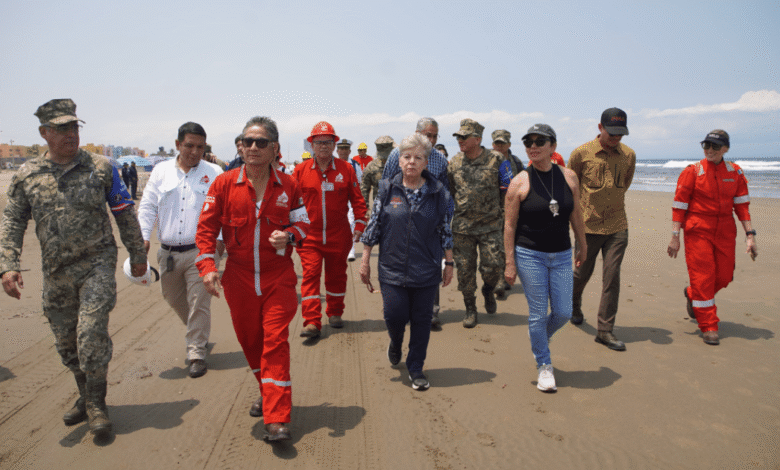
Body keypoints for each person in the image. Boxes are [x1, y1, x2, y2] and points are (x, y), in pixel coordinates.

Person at [0, 99, 147, 438]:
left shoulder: (101, 167)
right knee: (67, 343)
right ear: (44, 133)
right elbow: (12, 220)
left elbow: (124, 212)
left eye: (74, 127)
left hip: (96, 264)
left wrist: (137, 253)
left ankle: (97, 404)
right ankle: (85, 393)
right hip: (55, 271)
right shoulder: (27, 175)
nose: (70, 134)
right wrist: (8, 265)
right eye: (62, 128)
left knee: (90, 334)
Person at [196, 116, 309, 441]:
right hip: (239, 280)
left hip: (278, 279)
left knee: (274, 343)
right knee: (251, 343)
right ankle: (267, 390)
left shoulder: (290, 186)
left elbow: (304, 226)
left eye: (261, 142)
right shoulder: (222, 185)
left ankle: (277, 418)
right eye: (248, 142)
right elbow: (205, 230)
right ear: (241, 147)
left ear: (274, 148)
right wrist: (207, 268)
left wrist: (288, 236)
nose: (253, 148)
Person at [360, 133, 454, 391]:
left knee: (422, 320)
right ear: (399, 160)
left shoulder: (438, 193)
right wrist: (365, 260)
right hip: (391, 268)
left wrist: (449, 263)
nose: (411, 162)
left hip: (426, 269)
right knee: (394, 315)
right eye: (406, 156)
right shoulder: (387, 188)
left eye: (418, 157)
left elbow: (445, 230)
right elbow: (374, 225)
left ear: (426, 162)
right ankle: (395, 340)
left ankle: (416, 367)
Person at [503, 124, 587, 392]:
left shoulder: (569, 177)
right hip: (530, 255)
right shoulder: (520, 182)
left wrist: (582, 244)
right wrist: (509, 262)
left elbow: (575, 214)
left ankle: (538, 337)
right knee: (538, 313)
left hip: (562, 254)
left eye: (540, 141)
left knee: (563, 312)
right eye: (528, 141)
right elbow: (509, 225)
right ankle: (544, 365)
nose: (533, 146)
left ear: (553, 146)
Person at [138, 122, 223, 378]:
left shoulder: (215, 173)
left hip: (202, 251)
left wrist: (219, 242)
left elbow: (223, 210)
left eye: (200, 147)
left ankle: (196, 352)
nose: (194, 152)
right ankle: (198, 333)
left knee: (199, 302)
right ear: (178, 145)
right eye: (189, 146)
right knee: (174, 298)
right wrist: (142, 237)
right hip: (168, 253)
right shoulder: (161, 171)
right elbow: (147, 206)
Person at [667, 130, 757, 345]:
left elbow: (742, 206)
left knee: (724, 277)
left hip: (726, 230)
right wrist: (675, 236)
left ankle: (692, 293)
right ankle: (708, 325)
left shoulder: (735, 172)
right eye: (705, 146)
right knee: (703, 278)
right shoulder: (692, 172)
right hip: (698, 229)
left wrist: (750, 235)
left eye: (714, 147)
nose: (709, 150)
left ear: (725, 149)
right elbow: (679, 206)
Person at [567, 108, 636, 351]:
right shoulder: (581, 154)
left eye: (620, 134)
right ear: (600, 127)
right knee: (581, 274)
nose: (616, 138)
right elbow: (571, 189)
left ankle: (605, 330)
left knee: (611, 277)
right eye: (611, 133)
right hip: (588, 226)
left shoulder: (629, 155)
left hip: (618, 225)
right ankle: (573, 304)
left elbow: (624, 185)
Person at [293, 121, 367, 338]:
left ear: (335, 144)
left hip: (339, 235)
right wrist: (291, 230)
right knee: (310, 276)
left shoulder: (346, 169)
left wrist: (361, 223)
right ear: (311, 145)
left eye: (328, 142)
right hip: (310, 238)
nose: (323, 146)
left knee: (337, 276)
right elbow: (291, 204)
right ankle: (311, 321)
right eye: (318, 142)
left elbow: (358, 201)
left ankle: (335, 313)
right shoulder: (300, 171)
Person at [382, 117, 451, 329]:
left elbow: (447, 192)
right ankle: (400, 308)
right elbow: (385, 186)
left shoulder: (440, 160)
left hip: (430, 220)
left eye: (434, 136)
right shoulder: (397, 155)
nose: (430, 139)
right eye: (427, 135)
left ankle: (431, 311)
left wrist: (446, 220)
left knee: (432, 262)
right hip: (400, 218)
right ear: (418, 133)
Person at [448, 119, 505, 328]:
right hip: (463, 228)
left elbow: (509, 188)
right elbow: (452, 190)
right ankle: (470, 308)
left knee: (493, 268)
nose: (460, 140)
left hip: (491, 226)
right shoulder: (454, 162)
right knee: (465, 272)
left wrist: (504, 216)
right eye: (458, 137)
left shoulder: (497, 160)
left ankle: (488, 291)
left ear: (478, 139)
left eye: (464, 137)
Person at [493, 129, 525, 299]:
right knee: (495, 247)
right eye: (497, 143)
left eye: (503, 143)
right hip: (491, 211)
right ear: (492, 144)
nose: (500, 146)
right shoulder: (487, 161)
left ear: (509, 144)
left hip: (511, 211)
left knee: (508, 246)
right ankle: (498, 281)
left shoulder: (517, 162)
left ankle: (505, 277)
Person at [336, 138, 364, 261]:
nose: (343, 151)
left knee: (351, 223)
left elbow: (359, 184)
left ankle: (351, 250)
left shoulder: (355, 165)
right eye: (341, 148)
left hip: (350, 200)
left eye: (346, 148)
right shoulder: (331, 164)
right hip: (335, 200)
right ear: (337, 151)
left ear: (350, 151)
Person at [360, 136, 395, 217]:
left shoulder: (400, 164)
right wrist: (365, 210)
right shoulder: (371, 167)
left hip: (398, 209)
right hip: (379, 211)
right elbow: (364, 189)